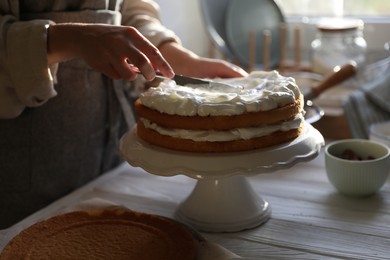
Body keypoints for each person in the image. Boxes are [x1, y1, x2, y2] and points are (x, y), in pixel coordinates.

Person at [0, 0, 247, 228]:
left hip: (112, 156)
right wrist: (68, 38)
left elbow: (132, 7)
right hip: (24, 180)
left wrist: (176, 57)